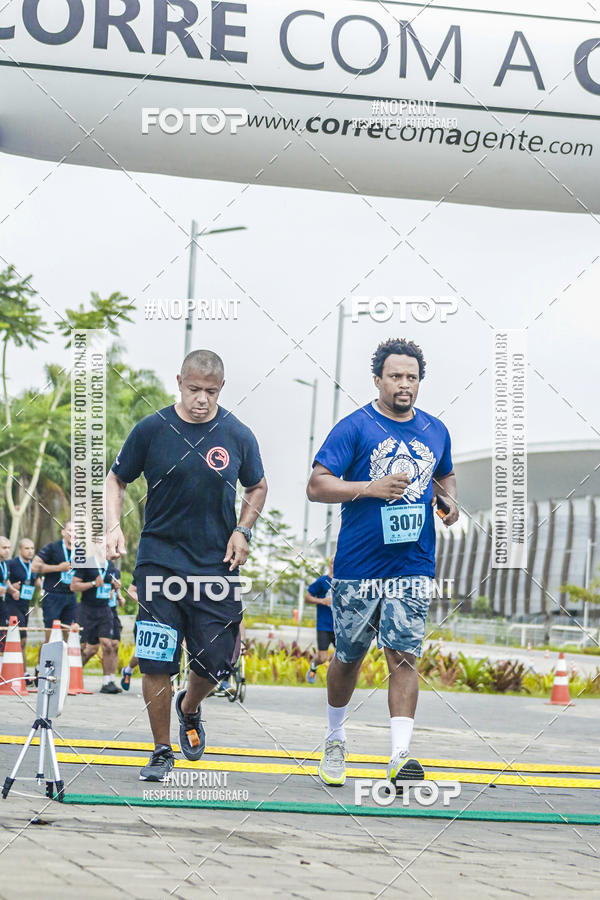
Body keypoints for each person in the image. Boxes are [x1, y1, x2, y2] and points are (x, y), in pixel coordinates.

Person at [106, 349, 267, 781]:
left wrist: (243, 530)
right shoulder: (153, 430)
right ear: (179, 381)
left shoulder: (237, 434)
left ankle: (189, 706)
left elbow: (257, 485)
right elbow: (116, 477)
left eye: (210, 392)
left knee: (217, 662)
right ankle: (160, 750)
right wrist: (112, 527)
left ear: (222, 389)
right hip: (160, 562)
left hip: (216, 566)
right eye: (194, 389)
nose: (201, 399)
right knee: (157, 658)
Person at [307, 338, 458, 790]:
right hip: (358, 567)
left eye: (412, 377)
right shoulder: (355, 427)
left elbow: (444, 474)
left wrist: (449, 502)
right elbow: (316, 485)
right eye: (396, 376)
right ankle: (335, 738)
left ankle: (400, 755)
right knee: (348, 658)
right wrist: (369, 488)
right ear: (377, 380)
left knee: (405, 657)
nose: (404, 384)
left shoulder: (435, 430)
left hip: (413, 564)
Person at [71, 557, 123, 694]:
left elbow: (111, 586)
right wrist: (93, 583)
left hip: (105, 610)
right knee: (82, 647)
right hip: (87, 610)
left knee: (108, 644)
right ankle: (70, 675)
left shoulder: (111, 565)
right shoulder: (87, 563)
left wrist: (116, 586)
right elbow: (74, 586)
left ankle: (107, 682)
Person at [33, 522, 77, 641]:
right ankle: (44, 660)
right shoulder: (53, 547)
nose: (74, 534)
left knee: (69, 635)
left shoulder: (81, 552)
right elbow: (34, 566)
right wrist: (58, 568)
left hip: (71, 596)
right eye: (71, 530)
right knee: (51, 635)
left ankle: (64, 659)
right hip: (52, 595)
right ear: (63, 532)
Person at [7, 537, 42, 658]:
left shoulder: (34, 567)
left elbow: (36, 582)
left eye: (32, 548)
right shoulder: (11, 564)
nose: (30, 551)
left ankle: (24, 672)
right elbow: (4, 581)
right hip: (11, 605)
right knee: (19, 638)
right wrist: (11, 587)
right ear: (20, 550)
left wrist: (40, 585)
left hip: (25, 605)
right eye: (27, 548)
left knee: (23, 641)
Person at [305, 559, 335, 683]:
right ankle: (313, 666)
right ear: (329, 565)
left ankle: (333, 679)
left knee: (340, 657)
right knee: (322, 658)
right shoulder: (322, 581)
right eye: (333, 562)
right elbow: (307, 598)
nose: (335, 565)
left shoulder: (345, 582)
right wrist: (322, 601)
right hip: (324, 625)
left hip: (340, 626)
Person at [120, 578, 139, 691]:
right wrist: (141, 600)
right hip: (146, 619)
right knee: (141, 654)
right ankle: (128, 670)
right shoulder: (146, 567)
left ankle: (170, 683)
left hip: (169, 619)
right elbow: (131, 591)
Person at [0, 535, 12, 655]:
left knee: (3, 632)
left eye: (9, 547)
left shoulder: (5, 563)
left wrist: (13, 590)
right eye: (4, 547)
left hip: (2, 603)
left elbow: (6, 580)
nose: (7, 550)